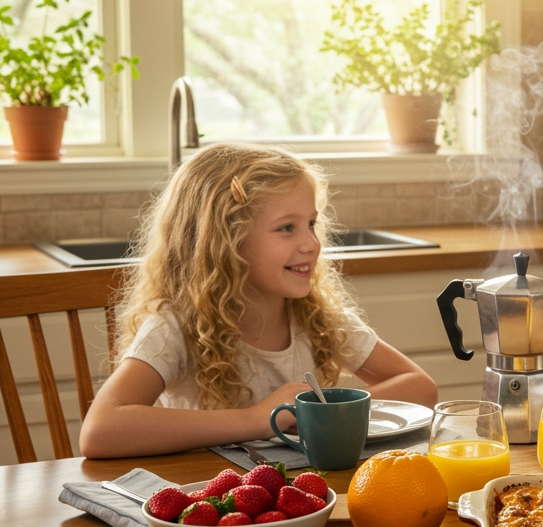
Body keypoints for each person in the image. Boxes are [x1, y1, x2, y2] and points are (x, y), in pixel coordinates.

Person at [79, 142, 437, 458]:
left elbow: (420, 387)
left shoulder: (318, 316)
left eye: (311, 223)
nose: (312, 243)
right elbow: (100, 432)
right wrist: (255, 420)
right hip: (209, 505)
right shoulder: (176, 325)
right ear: (224, 240)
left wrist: (324, 413)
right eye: (286, 227)